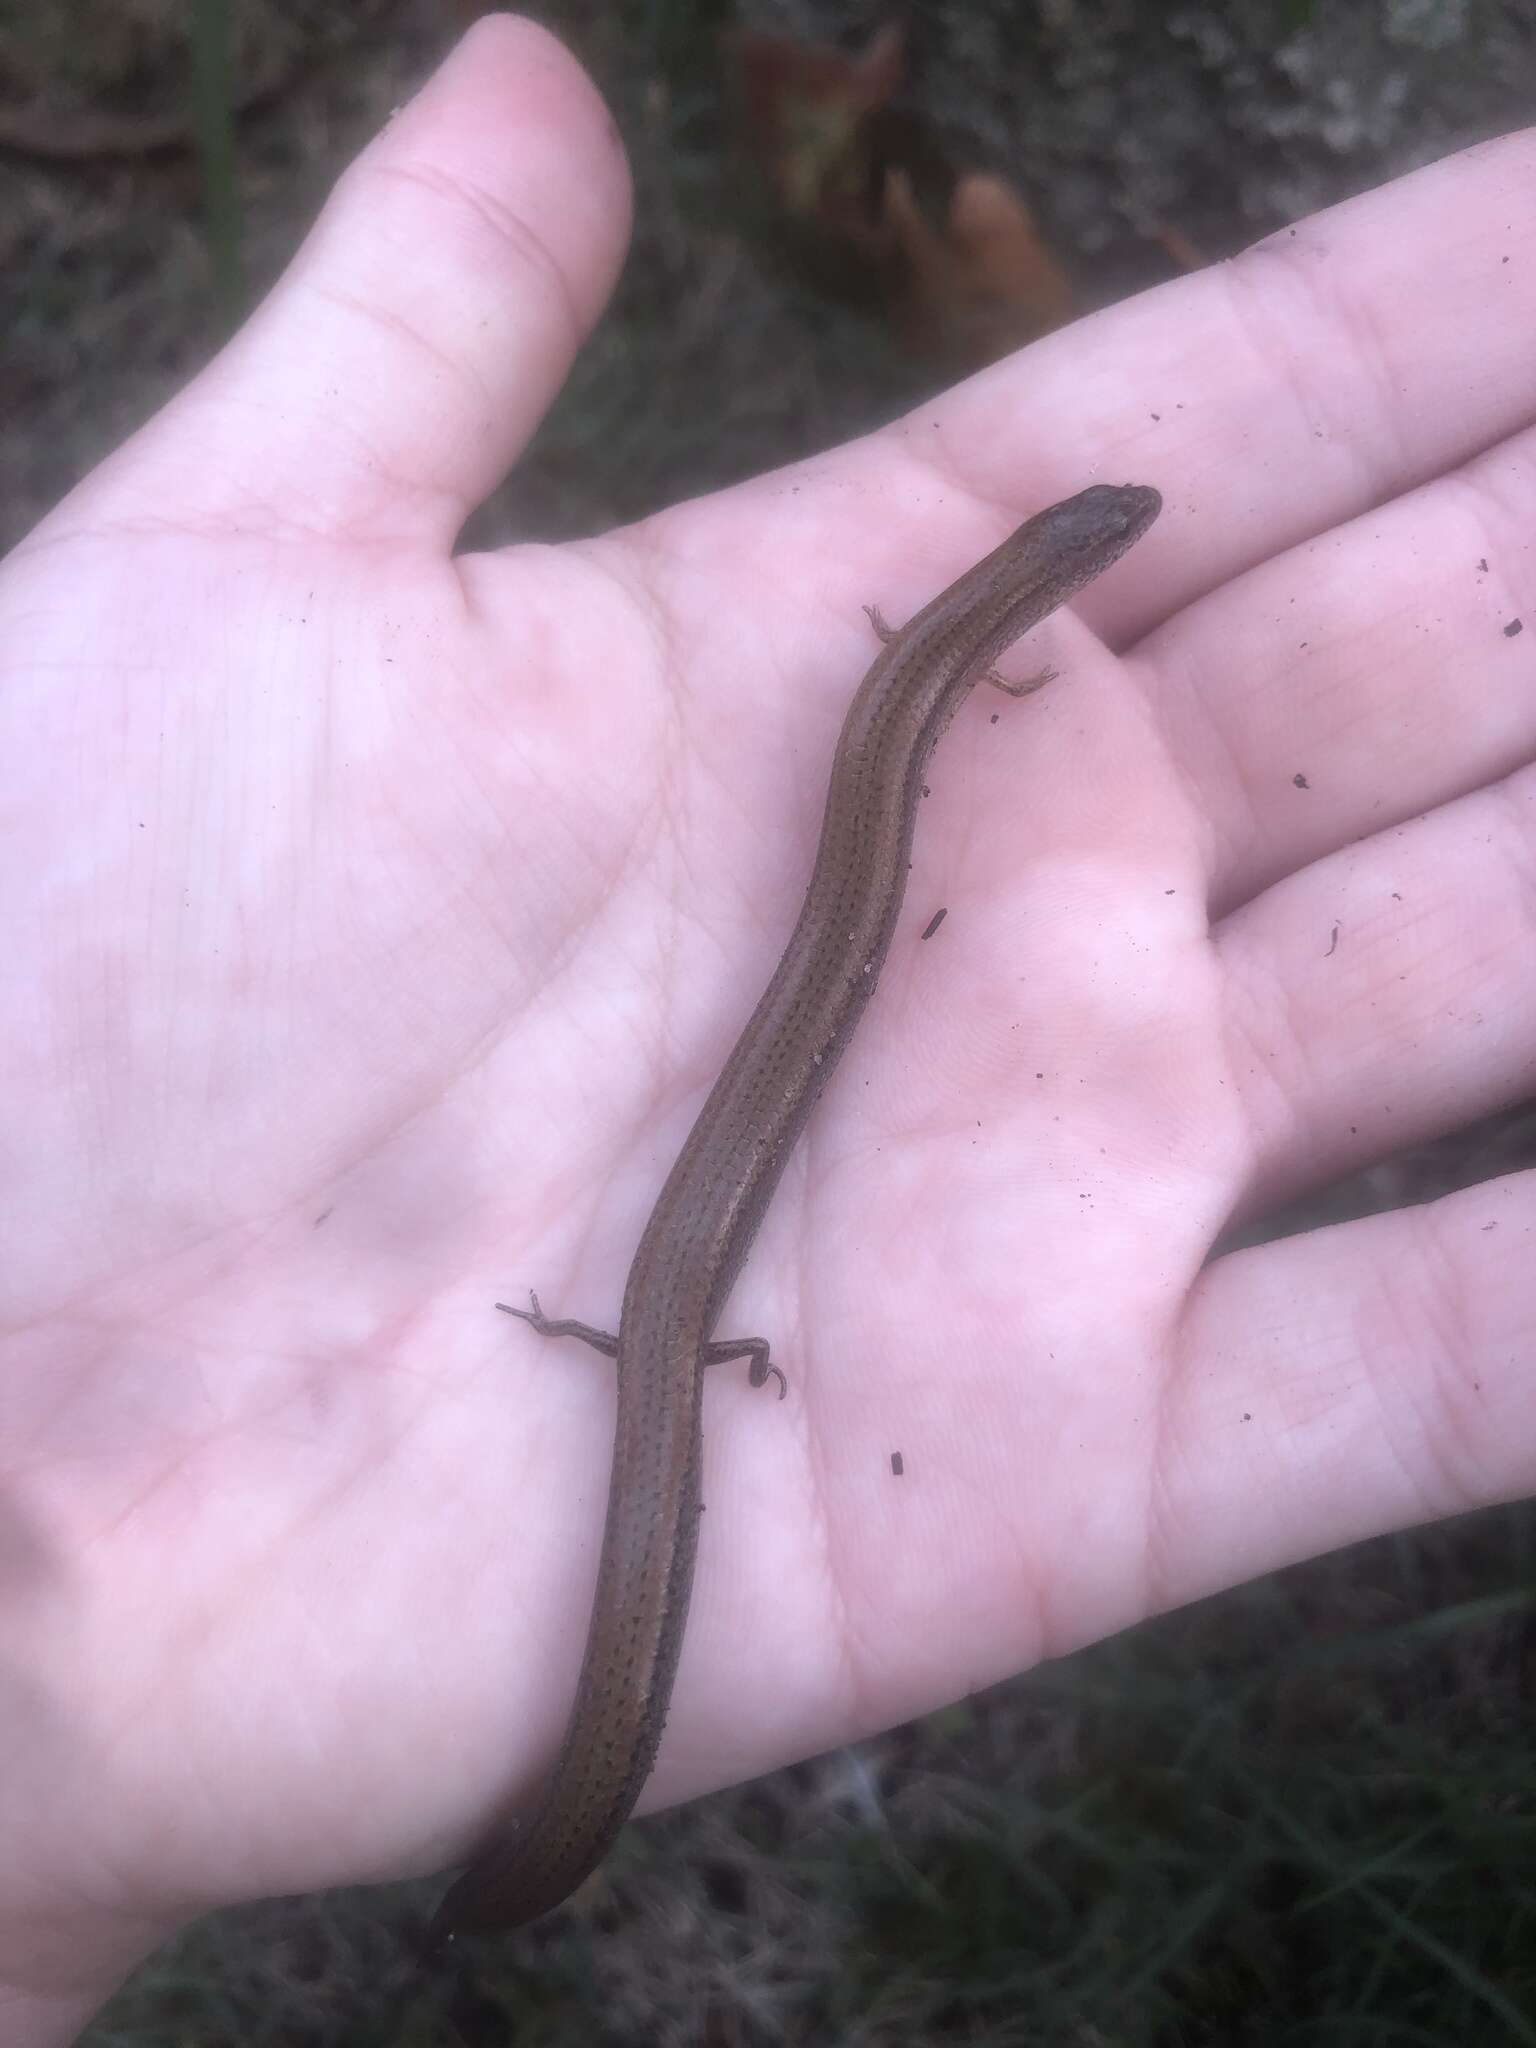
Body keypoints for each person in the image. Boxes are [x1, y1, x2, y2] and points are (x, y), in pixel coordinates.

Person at [2, 15, 1532, 2042]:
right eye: (1099, 538)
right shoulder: (965, 642)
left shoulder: (971, 639)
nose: (1114, 542)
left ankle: (546, 1830)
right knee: (690, 1283)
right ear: (1046, 569)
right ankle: (550, 1821)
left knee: (710, 1243)